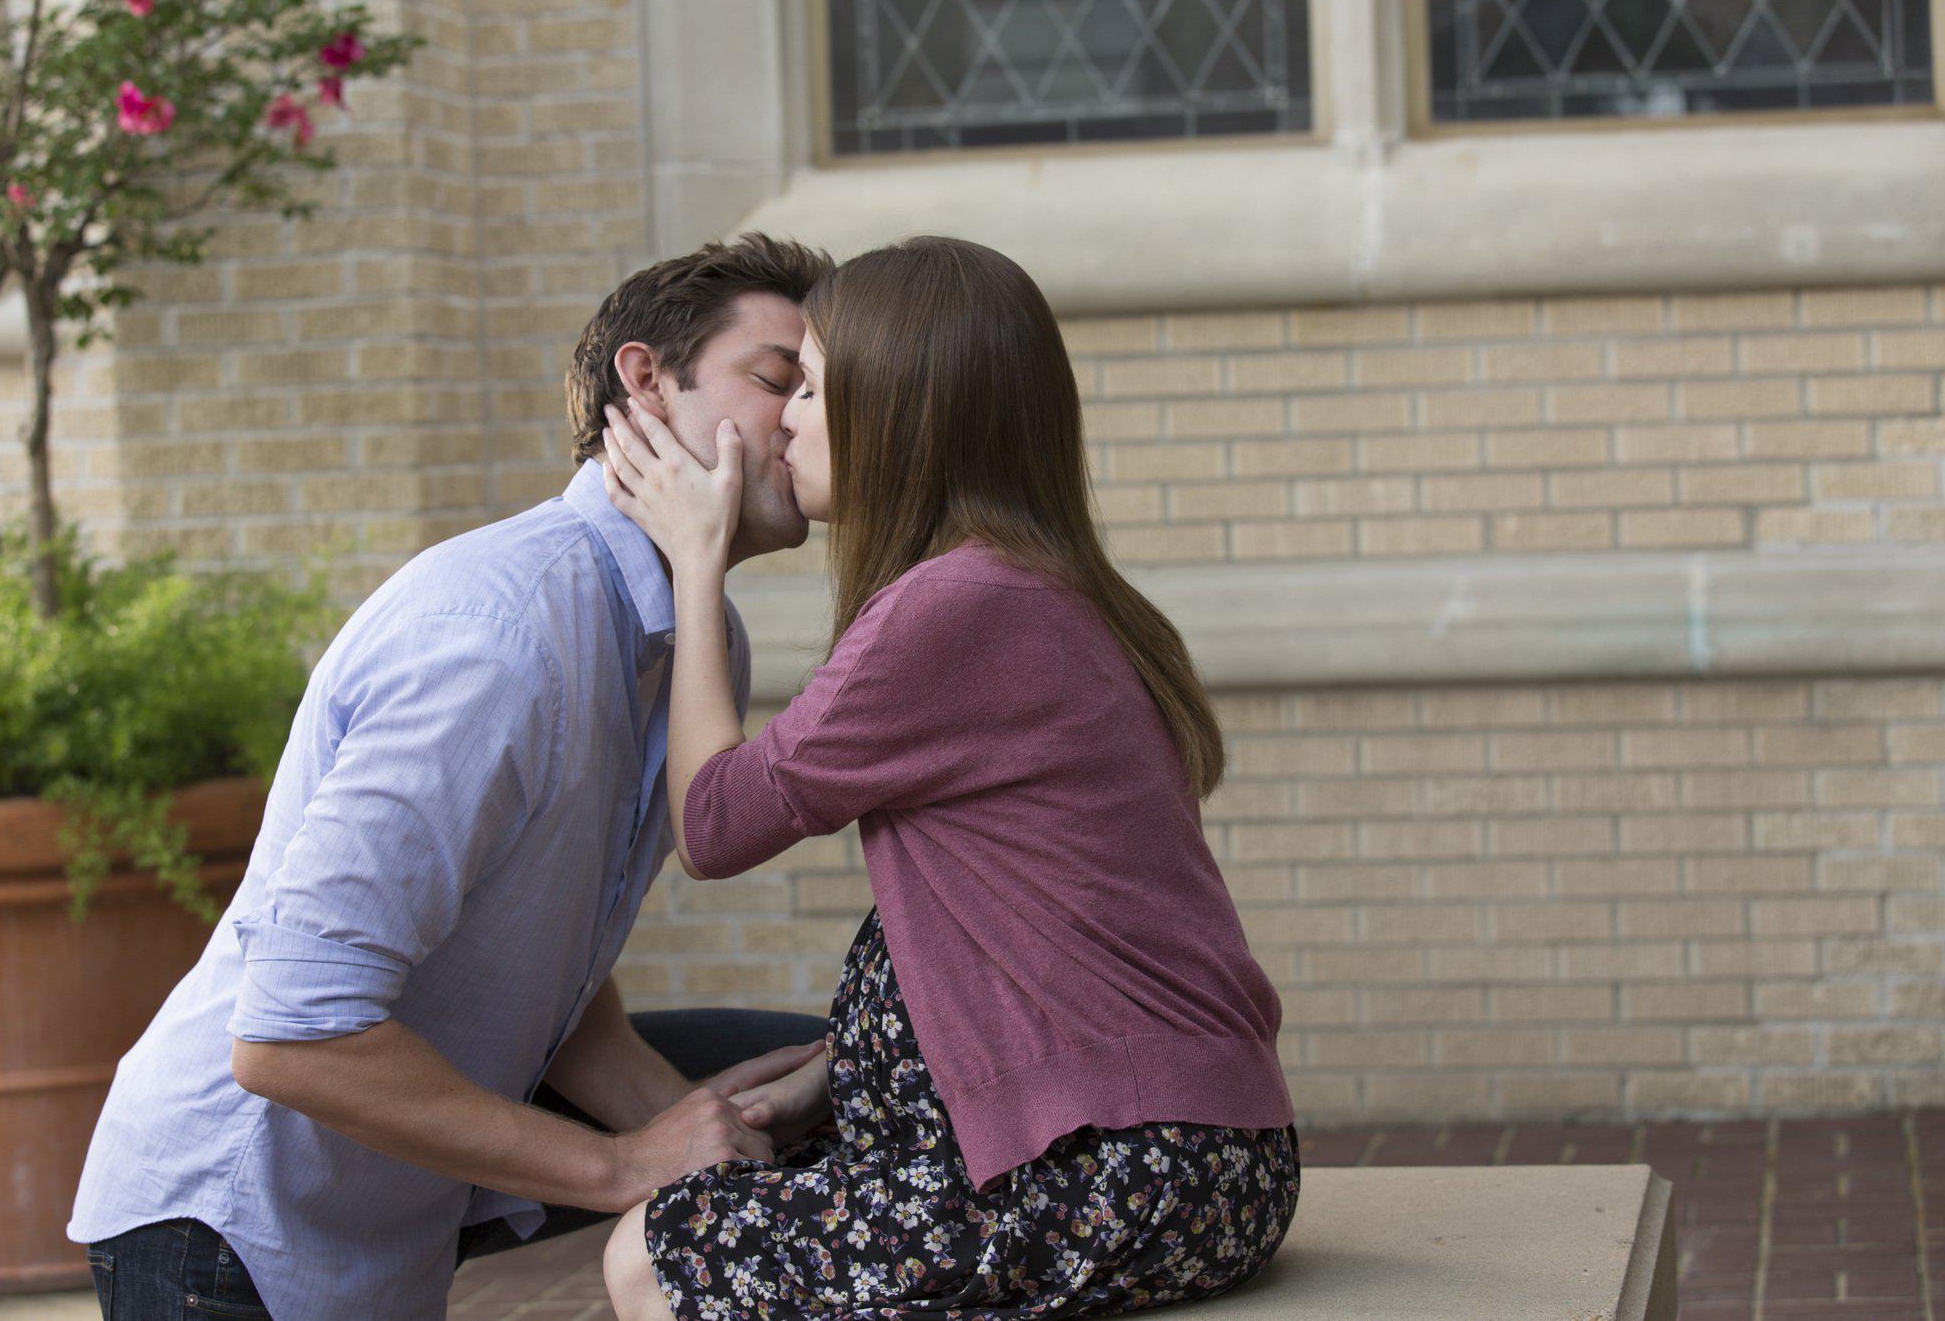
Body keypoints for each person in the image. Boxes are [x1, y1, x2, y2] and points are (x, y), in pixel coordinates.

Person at [67, 233, 842, 1321]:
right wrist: (625, 1166)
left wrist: (696, 1139)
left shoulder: (691, 640)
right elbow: (291, 1031)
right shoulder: (500, 636)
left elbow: (552, 979)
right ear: (644, 380)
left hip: (376, 1220)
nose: (805, 418)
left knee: (810, 1078)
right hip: (227, 1234)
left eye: (819, 391)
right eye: (775, 379)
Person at [595, 235, 1300, 1319]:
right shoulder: (1039, 589)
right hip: (1171, 1154)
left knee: (656, 1252)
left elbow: (713, 826)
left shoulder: (954, 605)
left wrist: (696, 562)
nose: (785, 420)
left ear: (899, 412)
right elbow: (1041, 929)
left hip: (1122, 1167)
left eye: (813, 387)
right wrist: (832, 1075)